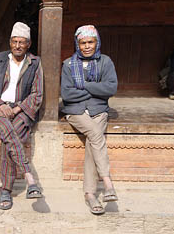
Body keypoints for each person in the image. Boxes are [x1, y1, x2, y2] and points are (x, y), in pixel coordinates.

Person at [0, 22, 43, 210]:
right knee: (10, 132)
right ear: (10, 42)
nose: (17, 45)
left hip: (20, 109)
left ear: (28, 44)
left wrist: (16, 109)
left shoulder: (35, 63)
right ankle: (29, 178)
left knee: (10, 137)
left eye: (21, 42)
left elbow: (37, 94)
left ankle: (6, 190)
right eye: (14, 41)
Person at [60, 25, 118, 214]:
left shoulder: (105, 62)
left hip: (99, 111)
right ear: (77, 44)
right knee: (95, 134)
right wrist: (94, 90)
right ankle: (107, 181)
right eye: (83, 43)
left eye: (90, 42)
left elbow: (110, 88)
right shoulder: (68, 64)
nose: (86, 46)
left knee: (91, 144)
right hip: (75, 111)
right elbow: (67, 94)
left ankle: (90, 195)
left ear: (97, 42)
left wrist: (83, 86)